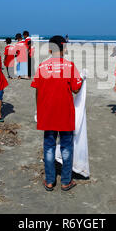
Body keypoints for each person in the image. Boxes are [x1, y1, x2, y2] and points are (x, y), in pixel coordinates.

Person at [31, 35, 83, 192]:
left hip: (47, 113)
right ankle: (66, 181)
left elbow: (37, 91)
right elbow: (75, 89)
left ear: (49, 49)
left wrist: (37, 110)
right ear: (65, 48)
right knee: (66, 146)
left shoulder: (41, 66)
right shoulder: (70, 66)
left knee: (48, 146)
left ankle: (49, 181)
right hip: (65, 114)